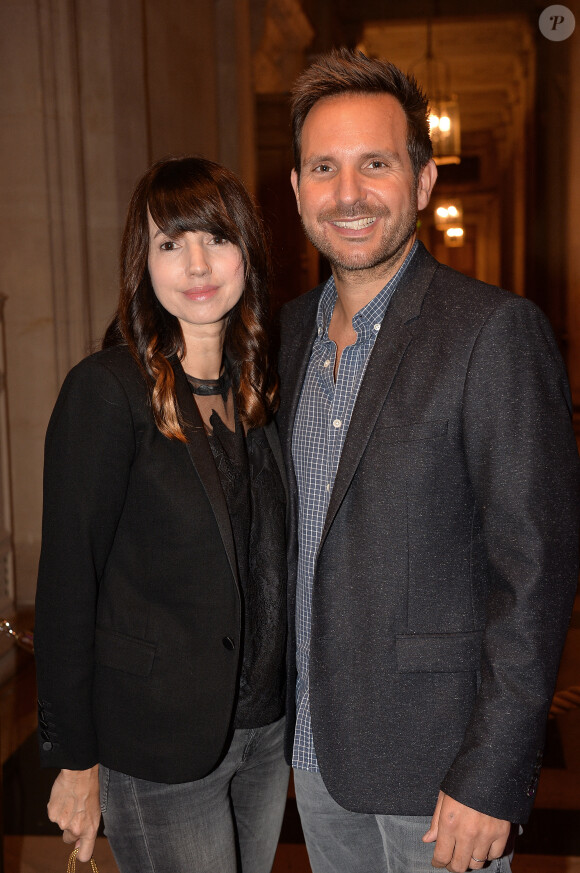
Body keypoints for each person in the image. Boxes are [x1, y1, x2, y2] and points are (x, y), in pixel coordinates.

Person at [276, 48, 580, 873]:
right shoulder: (283, 337)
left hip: (441, 774)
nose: (347, 194)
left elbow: (537, 569)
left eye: (375, 164)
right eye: (324, 168)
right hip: (314, 751)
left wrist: (492, 773)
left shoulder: (490, 332)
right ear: (298, 189)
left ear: (423, 180)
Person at [34, 156, 289, 873]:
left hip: (263, 732)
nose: (197, 263)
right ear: (142, 263)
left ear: (247, 249)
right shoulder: (107, 391)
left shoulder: (259, 390)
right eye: (169, 243)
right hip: (159, 742)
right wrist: (76, 762)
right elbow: (65, 587)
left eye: (214, 237)